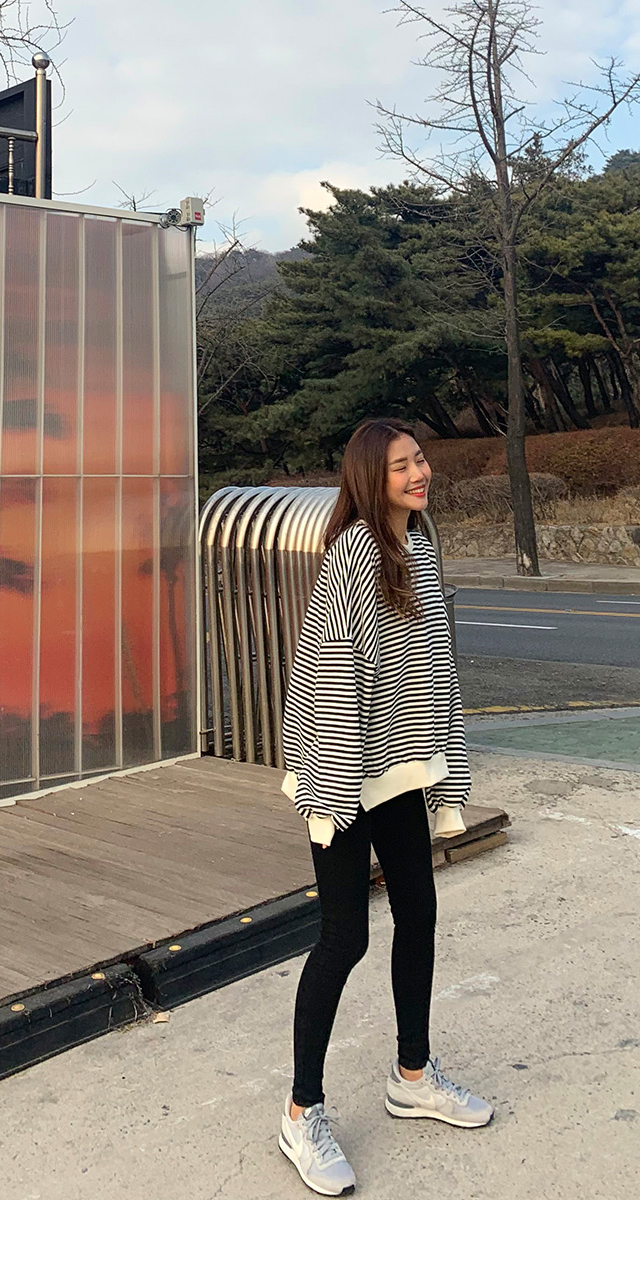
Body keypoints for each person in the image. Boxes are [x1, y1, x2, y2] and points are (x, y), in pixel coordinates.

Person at [277, 417, 492, 1197]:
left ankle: (412, 1074)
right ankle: (301, 1111)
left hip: (395, 770)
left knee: (420, 914)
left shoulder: (419, 548)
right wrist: (332, 795)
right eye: (402, 465)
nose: (419, 472)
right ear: (373, 477)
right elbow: (332, 675)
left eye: (421, 459)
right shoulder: (354, 555)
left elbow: (436, 669)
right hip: (341, 772)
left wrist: (443, 768)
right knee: (344, 937)